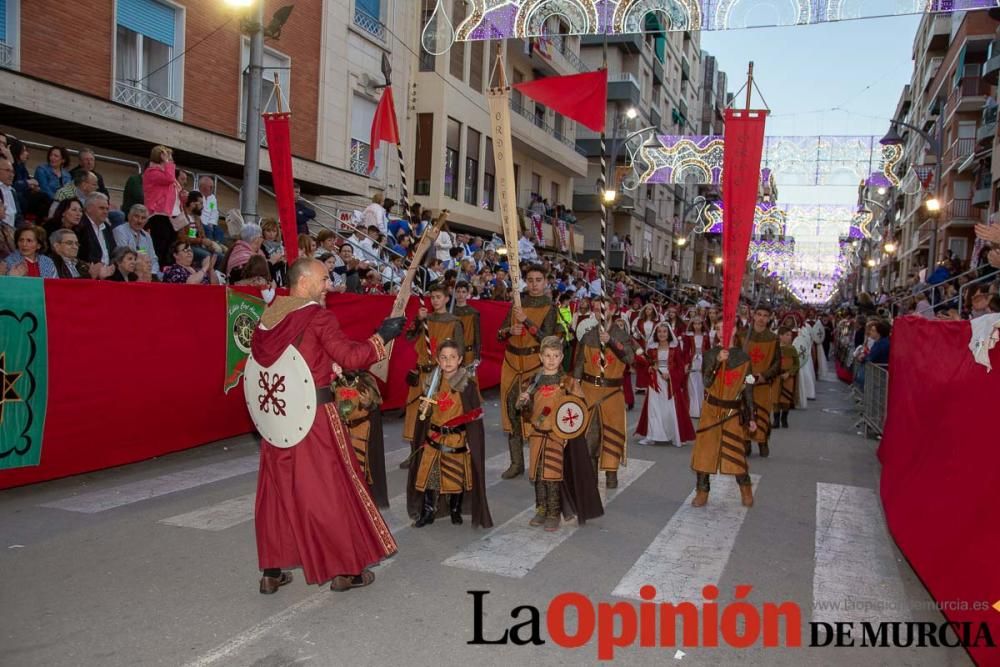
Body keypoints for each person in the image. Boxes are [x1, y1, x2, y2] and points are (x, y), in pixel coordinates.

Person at [251, 257, 406, 593]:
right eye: (323, 279)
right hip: (314, 418)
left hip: (277, 420)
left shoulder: (267, 318)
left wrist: (326, 363)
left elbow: (283, 364)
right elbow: (352, 357)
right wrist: (382, 337)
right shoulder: (317, 317)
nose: (329, 286)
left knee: (277, 492)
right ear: (304, 281)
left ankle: (272, 571)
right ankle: (345, 571)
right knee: (328, 491)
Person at [516, 336, 603, 531]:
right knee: (538, 474)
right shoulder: (532, 381)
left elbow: (579, 409)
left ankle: (554, 513)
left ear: (562, 357)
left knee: (552, 474)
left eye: (556, 355)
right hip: (537, 434)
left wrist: (567, 434)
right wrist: (524, 401)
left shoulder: (568, 383)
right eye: (547, 355)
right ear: (540, 356)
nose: (551, 359)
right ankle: (541, 509)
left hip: (557, 436)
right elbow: (526, 412)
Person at [406, 340, 493, 529]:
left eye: (452, 357)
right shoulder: (431, 382)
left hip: (456, 439)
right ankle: (428, 512)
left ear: (460, 359)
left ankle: (455, 510)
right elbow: (426, 415)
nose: (448, 362)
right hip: (434, 438)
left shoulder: (467, 384)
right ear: (438, 359)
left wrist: (472, 440)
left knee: (455, 477)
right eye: (444, 358)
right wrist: (425, 410)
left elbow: (474, 415)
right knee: (431, 477)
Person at [497, 265, 557, 479]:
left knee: (535, 414)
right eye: (530, 280)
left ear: (545, 282)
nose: (533, 284)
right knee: (512, 412)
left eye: (538, 280)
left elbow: (548, 340)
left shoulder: (550, 307)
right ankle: (516, 463)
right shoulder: (517, 303)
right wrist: (508, 330)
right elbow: (499, 335)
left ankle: (539, 461)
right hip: (512, 363)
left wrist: (526, 321)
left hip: (534, 365)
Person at [573, 295, 634, 488]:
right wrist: (575, 385)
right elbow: (579, 364)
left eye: (604, 309)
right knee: (590, 434)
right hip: (589, 390)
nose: (600, 313)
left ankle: (611, 472)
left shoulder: (622, 334)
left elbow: (630, 359)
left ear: (613, 310)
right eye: (597, 309)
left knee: (612, 434)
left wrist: (612, 341)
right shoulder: (587, 334)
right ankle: (590, 476)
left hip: (612, 392)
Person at [690, 336, 757, 508]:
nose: (723, 330)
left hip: (732, 411)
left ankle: (746, 489)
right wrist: (718, 362)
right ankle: (702, 491)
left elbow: (747, 390)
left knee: (735, 452)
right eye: (719, 327)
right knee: (705, 453)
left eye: (726, 327)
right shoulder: (710, 354)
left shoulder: (743, 358)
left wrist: (751, 417)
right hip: (711, 410)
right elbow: (706, 382)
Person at [402, 283, 464, 465]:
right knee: (415, 414)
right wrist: (418, 319)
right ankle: (414, 454)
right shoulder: (425, 318)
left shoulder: (454, 322)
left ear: (446, 298)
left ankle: (435, 451)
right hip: (422, 373)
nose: (435, 301)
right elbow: (409, 336)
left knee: (437, 414)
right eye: (432, 297)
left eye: (438, 297)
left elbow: (459, 350)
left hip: (441, 374)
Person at [334, 370, 390, 509]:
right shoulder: (334, 381)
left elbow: (375, 404)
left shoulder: (367, 379)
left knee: (364, 468)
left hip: (363, 432)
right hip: (343, 431)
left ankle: (367, 501)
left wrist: (368, 403)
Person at [634, 323, 695, 447]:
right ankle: (652, 435)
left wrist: (670, 375)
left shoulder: (675, 349)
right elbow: (645, 365)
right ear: (656, 334)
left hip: (669, 383)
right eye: (659, 332)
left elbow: (680, 367)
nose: (662, 334)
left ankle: (673, 435)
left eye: (664, 332)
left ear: (669, 334)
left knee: (669, 409)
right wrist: (650, 368)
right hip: (654, 382)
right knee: (653, 408)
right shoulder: (651, 349)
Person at [736, 305, 781, 458]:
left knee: (762, 413)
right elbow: (736, 358)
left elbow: (777, 363)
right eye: (759, 314)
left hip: (762, 383)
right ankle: (746, 441)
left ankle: (762, 441)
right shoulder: (742, 336)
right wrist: (743, 375)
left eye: (765, 315)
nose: (761, 318)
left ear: (769, 318)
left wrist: (762, 376)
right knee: (744, 411)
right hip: (745, 382)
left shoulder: (773, 338)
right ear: (753, 316)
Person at [143, 145, 181, 268]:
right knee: (160, 245)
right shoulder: (152, 172)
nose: (171, 160)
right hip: (158, 214)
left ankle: (166, 268)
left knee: (170, 245)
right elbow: (169, 178)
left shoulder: (164, 172)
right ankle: (157, 269)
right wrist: (167, 162)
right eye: (168, 157)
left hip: (169, 214)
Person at [113, 204, 160, 277]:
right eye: (136, 216)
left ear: (146, 221)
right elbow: (125, 258)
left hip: (146, 274)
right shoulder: (120, 231)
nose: (139, 221)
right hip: (127, 274)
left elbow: (153, 259)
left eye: (143, 218)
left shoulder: (147, 236)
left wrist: (152, 274)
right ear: (129, 217)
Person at [771, 326, 801, 430]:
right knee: (775, 399)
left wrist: (789, 373)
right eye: (787, 335)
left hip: (788, 377)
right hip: (776, 376)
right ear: (780, 336)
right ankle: (775, 420)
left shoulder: (792, 349)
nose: (790, 337)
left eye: (791, 335)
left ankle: (784, 418)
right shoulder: (774, 348)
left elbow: (796, 364)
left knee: (785, 400)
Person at [76, 193, 117, 266]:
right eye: (101, 208)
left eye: (107, 209)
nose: (105, 212)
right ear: (88, 208)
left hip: (108, 271)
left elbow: (114, 251)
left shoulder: (106, 227)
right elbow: (82, 255)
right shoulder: (80, 226)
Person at [684, 317, 711, 419]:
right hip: (692, 362)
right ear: (692, 325)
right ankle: (693, 410)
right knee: (692, 385)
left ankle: (701, 409)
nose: (697, 326)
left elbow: (708, 351)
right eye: (695, 324)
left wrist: (708, 364)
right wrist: (686, 363)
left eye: (699, 324)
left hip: (702, 362)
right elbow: (686, 351)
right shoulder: (688, 336)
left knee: (701, 385)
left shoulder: (706, 336)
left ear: (702, 325)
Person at [452, 280, 481, 370]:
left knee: (469, 383)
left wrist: (477, 357)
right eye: (458, 292)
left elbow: (477, 336)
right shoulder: (449, 312)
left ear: (468, 293)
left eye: (463, 292)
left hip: (469, 355)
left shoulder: (473, 313)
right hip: (452, 353)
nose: (461, 294)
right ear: (455, 293)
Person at [197, 176, 225, 244]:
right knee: (208, 229)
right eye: (210, 187)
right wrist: (204, 224)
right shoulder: (195, 195)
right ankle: (211, 247)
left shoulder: (212, 198)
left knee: (219, 231)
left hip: (210, 223)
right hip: (200, 222)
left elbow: (214, 211)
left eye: (212, 187)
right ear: (203, 187)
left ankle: (218, 245)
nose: (212, 189)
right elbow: (196, 212)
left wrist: (211, 223)